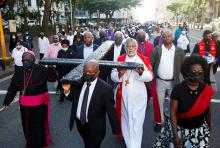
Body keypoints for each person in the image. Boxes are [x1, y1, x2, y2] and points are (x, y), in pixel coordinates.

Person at [154, 54, 213, 148]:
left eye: (200, 72)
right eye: (193, 71)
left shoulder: (206, 89)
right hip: (180, 130)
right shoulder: (178, 89)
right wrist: (175, 137)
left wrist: (209, 125)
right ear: (187, 72)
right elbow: (173, 113)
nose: (197, 74)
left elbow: (207, 111)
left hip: (200, 131)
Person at [2, 50, 57, 148]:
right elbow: (12, 88)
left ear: (33, 59)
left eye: (28, 60)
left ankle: (40, 144)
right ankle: (29, 143)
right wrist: (6, 101)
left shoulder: (41, 69)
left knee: (39, 126)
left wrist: (51, 68)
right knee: (27, 126)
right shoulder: (19, 71)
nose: (25, 62)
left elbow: (53, 79)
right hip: (25, 108)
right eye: (23, 61)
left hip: (39, 106)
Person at [62, 60, 120, 148]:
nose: (87, 74)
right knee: (86, 143)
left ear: (98, 72)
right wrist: (67, 91)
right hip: (80, 124)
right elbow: (74, 99)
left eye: (91, 72)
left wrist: (116, 130)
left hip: (96, 128)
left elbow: (111, 110)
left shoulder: (105, 89)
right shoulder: (78, 83)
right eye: (85, 72)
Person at [111, 38, 153, 148]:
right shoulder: (120, 59)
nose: (130, 48)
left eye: (133, 46)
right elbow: (112, 75)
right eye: (128, 46)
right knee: (125, 119)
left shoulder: (143, 59)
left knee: (137, 121)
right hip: (123, 94)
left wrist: (141, 73)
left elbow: (150, 77)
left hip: (139, 96)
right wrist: (120, 74)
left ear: (136, 47)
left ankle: (135, 145)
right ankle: (130, 143)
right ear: (125, 48)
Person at [151, 30, 185, 132]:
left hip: (174, 82)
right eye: (164, 36)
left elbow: (184, 66)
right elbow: (151, 64)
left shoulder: (179, 51)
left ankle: (173, 121)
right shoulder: (157, 49)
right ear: (162, 38)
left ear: (172, 38)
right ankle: (159, 121)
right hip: (160, 81)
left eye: (169, 36)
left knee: (174, 103)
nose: (167, 38)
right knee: (159, 102)